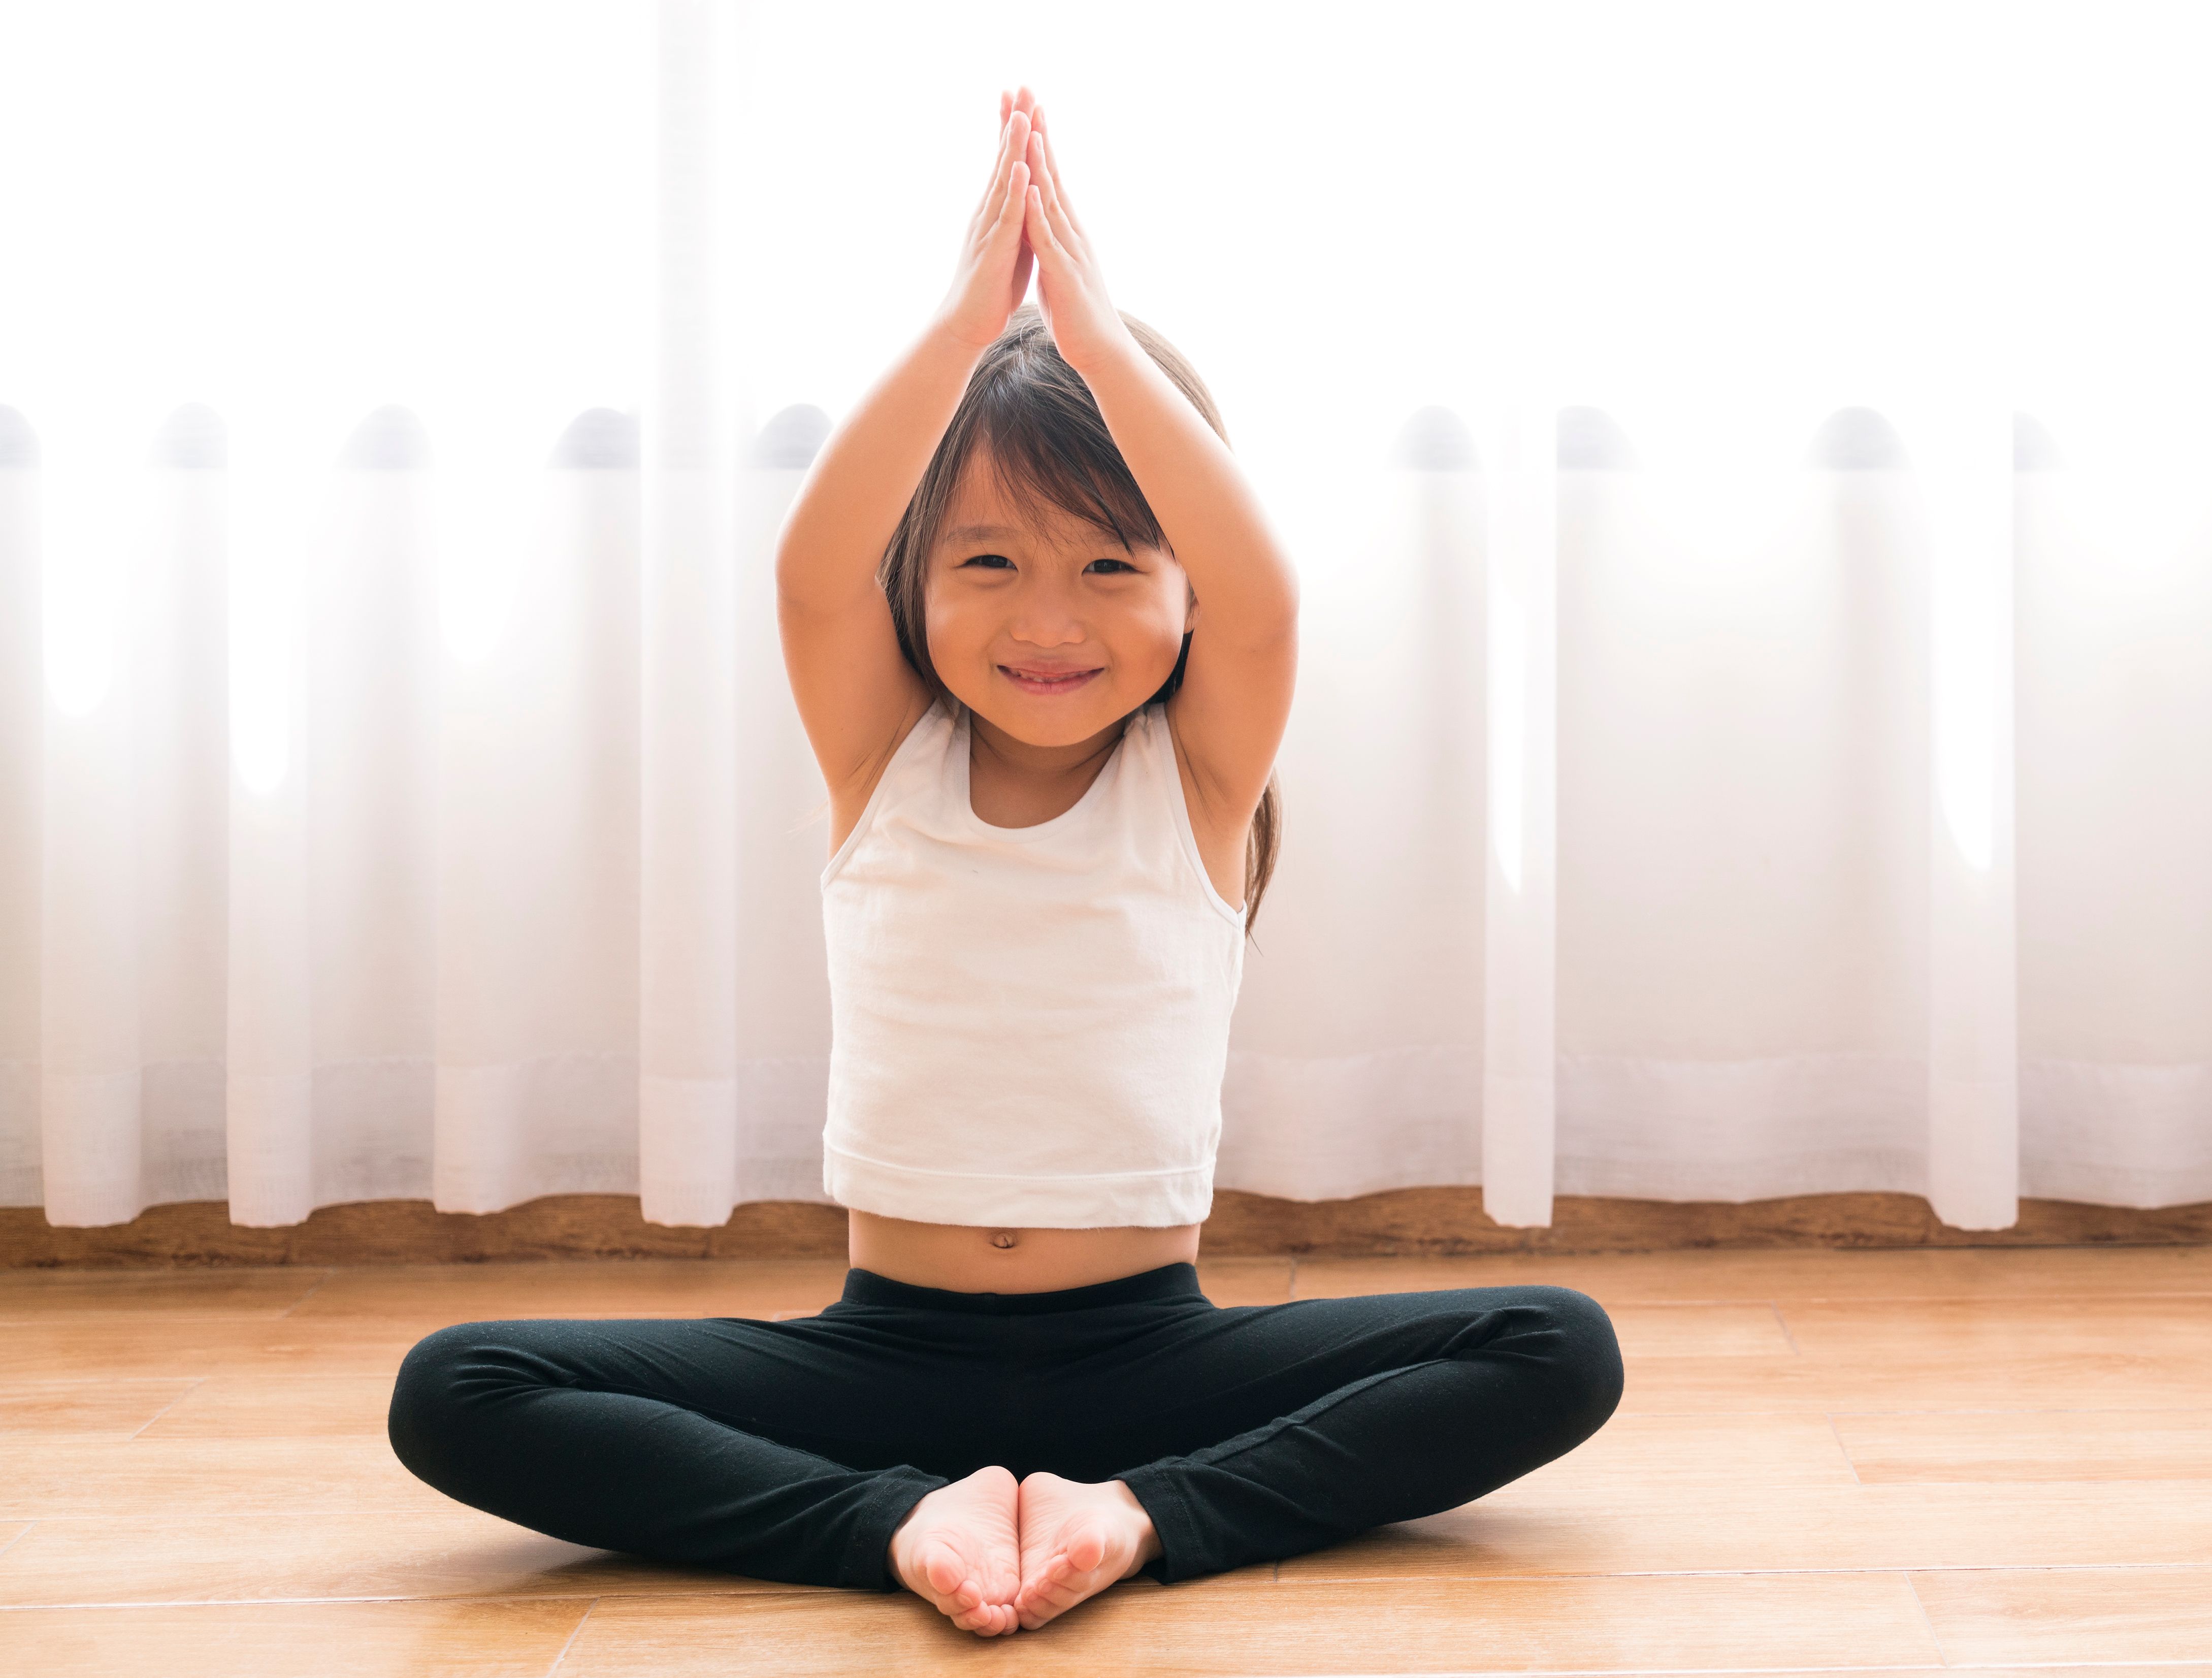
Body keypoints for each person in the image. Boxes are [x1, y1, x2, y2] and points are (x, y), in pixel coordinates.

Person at [389, 89, 1622, 1634]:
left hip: (1154, 1363)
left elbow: (1266, 600)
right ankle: (898, 1522)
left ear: (1180, 593)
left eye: (1112, 565)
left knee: (1558, 1345)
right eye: (990, 562)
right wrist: (975, 324)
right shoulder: (882, 764)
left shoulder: (1196, 780)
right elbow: (810, 569)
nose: (1050, 619)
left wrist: (1096, 345)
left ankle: (1141, 1515)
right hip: (879, 1358)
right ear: (919, 582)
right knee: (457, 1388)